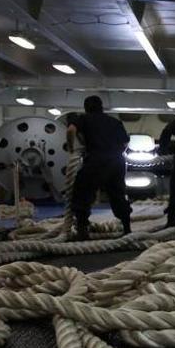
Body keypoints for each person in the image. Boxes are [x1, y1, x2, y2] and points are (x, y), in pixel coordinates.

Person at [65, 96, 131, 240]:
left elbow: (70, 130)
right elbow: (126, 143)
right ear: (101, 107)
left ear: (86, 107)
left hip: (96, 160)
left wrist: (71, 149)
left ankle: (82, 231)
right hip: (117, 161)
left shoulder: (84, 119)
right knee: (118, 195)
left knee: (82, 193)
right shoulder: (114, 121)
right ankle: (127, 228)